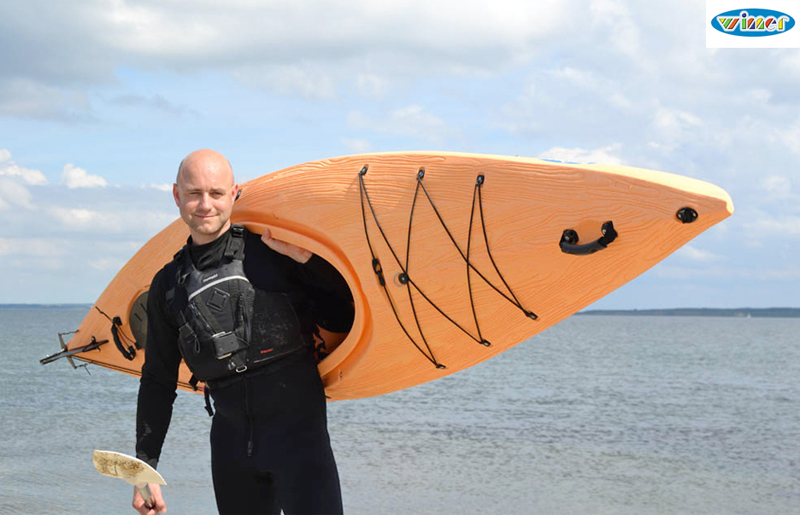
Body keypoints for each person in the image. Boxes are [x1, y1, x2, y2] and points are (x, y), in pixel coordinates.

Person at [133, 149, 353, 515]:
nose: (205, 204)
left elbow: (341, 319)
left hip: (300, 441)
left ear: (234, 193)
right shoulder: (168, 286)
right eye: (194, 193)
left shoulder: (274, 251)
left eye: (216, 193)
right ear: (176, 195)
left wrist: (310, 262)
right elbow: (157, 377)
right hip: (231, 448)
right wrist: (145, 467)